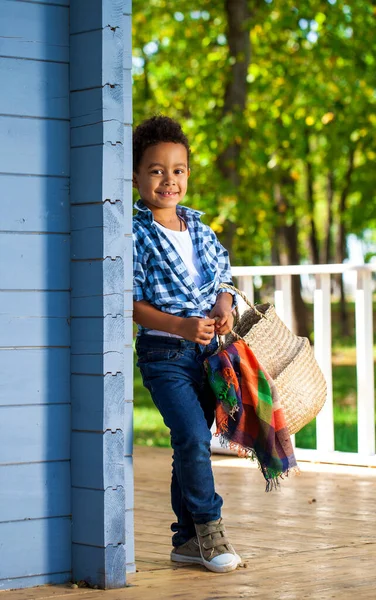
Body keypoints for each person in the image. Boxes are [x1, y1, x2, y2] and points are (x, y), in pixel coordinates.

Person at [132, 115, 241, 573]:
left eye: (177, 170)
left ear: (188, 175)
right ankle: (210, 529)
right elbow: (130, 302)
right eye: (156, 170)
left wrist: (224, 305)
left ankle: (184, 541)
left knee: (189, 443)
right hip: (165, 354)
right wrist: (180, 326)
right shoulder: (134, 234)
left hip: (207, 355)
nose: (168, 180)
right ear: (136, 176)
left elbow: (223, 276)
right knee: (194, 436)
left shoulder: (199, 229)